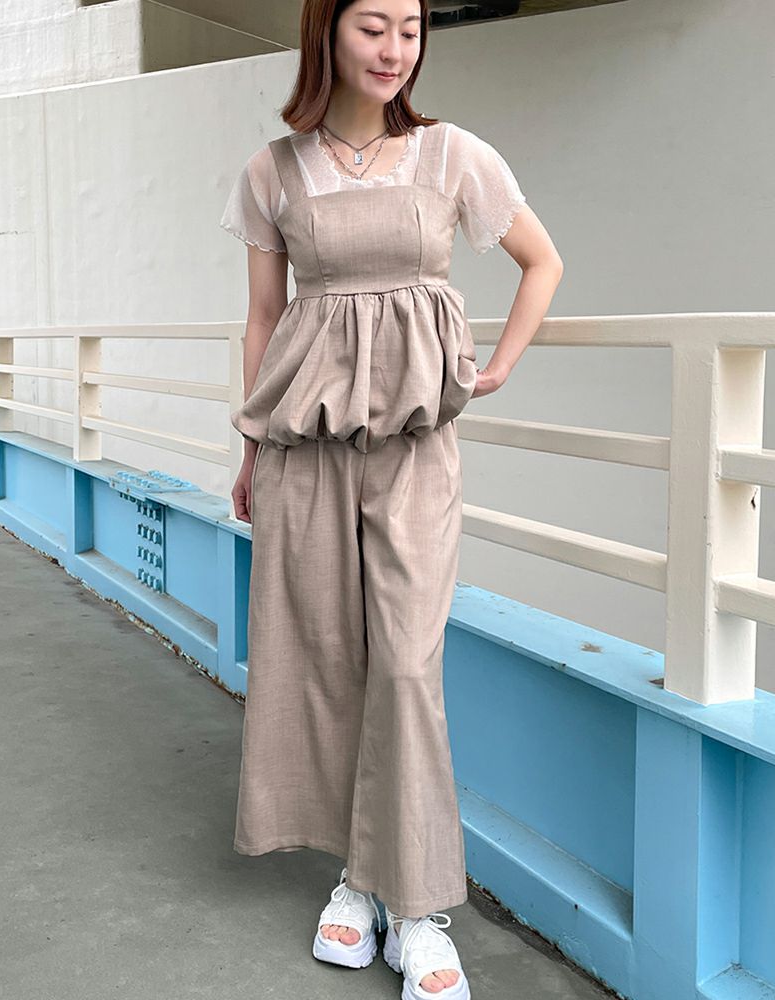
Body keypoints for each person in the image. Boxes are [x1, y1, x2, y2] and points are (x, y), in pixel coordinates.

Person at [220, 1, 563, 996]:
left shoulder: (453, 155)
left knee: (407, 666)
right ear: (326, 30)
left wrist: (497, 367)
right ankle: (358, 879)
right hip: (303, 448)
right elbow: (262, 321)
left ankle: (417, 905)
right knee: (325, 658)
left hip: (416, 448)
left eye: (410, 29)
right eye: (374, 26)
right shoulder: (273, 172)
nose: (394, 49)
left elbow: (541, 262)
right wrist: (248, 447)